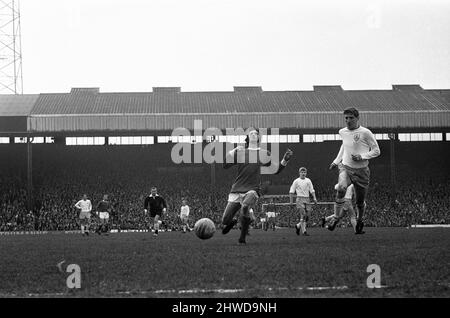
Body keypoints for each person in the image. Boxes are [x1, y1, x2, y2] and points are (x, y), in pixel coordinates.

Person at [221, 128, 293, 244]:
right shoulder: (240, 152)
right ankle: (232, 222)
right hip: (237, 189)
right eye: (251, 133)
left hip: (252, 189)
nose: (254, 134)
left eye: (256, 133)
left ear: (259, 138)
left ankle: (242, 237)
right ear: (248, 138)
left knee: (245, 207)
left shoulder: (264, 153)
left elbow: (276, 170)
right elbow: (224, 165)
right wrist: (233, 150)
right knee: (225, 220)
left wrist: (285, 160)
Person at [329, 107, 380, 234]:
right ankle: (335, 218)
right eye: (346, 118)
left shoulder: (366, 132)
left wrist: (362, 156)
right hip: (346, 167)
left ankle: (360, 220)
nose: (348, 120)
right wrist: (336, 161)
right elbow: (344, 146)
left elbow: (376, 150)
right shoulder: (342, 132)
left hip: (361, 171)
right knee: (341, 188)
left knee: (359, 202)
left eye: (351, 118)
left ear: (357, 118)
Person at [289, 167, 318, 236]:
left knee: (307, 216)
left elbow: (312, 190)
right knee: (303, 214)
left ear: (306, 173)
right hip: (299, 199)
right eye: (302, 172)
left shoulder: (308, 180)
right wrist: (291, 201)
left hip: (307, 199)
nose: (303, 173)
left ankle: (298, 226)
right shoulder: (296, 181)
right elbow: (291, 191)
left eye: (304, 172)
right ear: (299, 173)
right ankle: (304, 231)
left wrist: (314, 198)